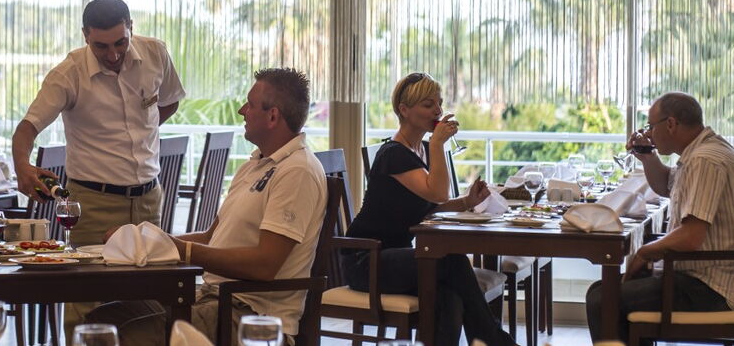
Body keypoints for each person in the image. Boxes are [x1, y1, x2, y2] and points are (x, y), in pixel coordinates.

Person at [89, 67, 326, 344]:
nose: (242, 110)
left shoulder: (297, 171)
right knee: (102, 321)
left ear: (273, 116)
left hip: (250, 315)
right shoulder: (255, 165)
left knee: (128, 335)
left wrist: (182, 250)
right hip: (211, 298)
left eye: (249, 104)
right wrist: (147, 241)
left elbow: (265, 265)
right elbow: (211, 237)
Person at [342, 72, 513, 346]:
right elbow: (438, 192)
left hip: (394, 257)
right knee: (452, 261)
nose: (438, 111)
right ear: (404, 110)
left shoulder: (420, 149)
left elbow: (430, 205)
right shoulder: (393, 154)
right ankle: (494, 341)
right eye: (428, 104)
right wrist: (437, 144)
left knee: (449, 296)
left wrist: (467, 202)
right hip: (366, 260)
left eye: (439, 103)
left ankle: (489, 341)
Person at [11, 0, 186, 245]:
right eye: (101, 46)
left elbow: (170, 101)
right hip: (92, 203)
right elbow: (27, 128)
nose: (113, 55)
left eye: (120, 43)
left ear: (131, 27)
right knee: (92, 271)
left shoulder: (155, 53)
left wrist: (139, 132)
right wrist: (22, 166)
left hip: (149, 199)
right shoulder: (68, 74)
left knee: (149, 271)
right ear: (85, 35)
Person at [586, 92, 734, 343]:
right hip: (700, 276)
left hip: (712, 288)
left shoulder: (704, 160)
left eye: (651, 126)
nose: (649, 133)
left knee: (603, 300)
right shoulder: (703, 151)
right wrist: (647, 156)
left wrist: (645, 252)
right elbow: (667, 185)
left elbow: (691, 236)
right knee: (602, 290)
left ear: (671, 124)